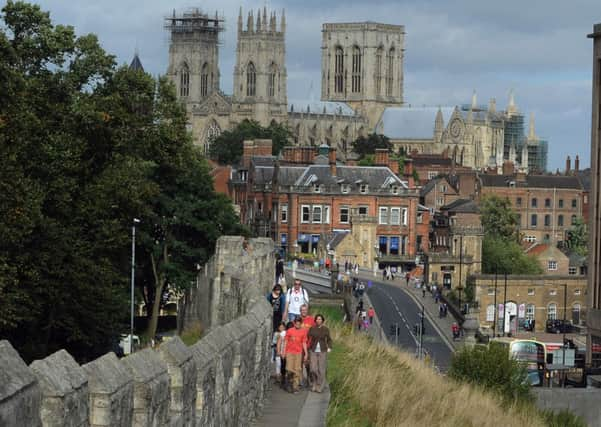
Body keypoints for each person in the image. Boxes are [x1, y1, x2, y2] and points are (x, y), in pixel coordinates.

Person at [283, 316, 308, 393]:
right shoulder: (290, 330)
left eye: (299, 323)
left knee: (297, 370)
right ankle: (289, 384)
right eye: (296, 323)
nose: (297, 324)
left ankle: (295, 386)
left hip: (298, 353)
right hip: (289, 352)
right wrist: (283, 351)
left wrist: (306, 353)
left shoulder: (303, 331)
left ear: (301, 323)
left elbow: (304, 343)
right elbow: (286, 342)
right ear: (294, 323)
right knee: (289, 369)